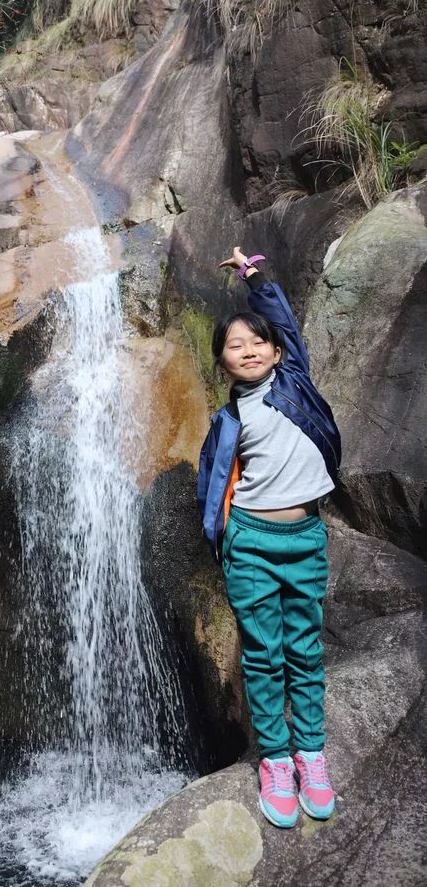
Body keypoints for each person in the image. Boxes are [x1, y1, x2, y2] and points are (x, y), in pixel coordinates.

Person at [196, 246, 341, 829]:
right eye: (235, 346)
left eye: (258, 342)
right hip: (251, 540)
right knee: (264, 655)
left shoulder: (295, 384)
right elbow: (211, 489)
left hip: (304, 536)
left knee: (305, 649)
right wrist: (225, 539)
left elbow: (277, 315)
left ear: (279, 352)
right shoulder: (228, 421)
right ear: (223, 364)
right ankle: (276, 762)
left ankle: (312, 755)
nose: (250, 350)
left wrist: (252, 275)